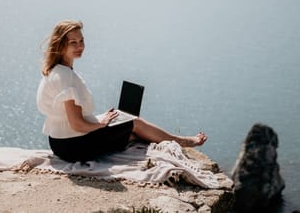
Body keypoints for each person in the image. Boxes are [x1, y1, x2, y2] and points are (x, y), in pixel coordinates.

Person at [36, 19, 208, 163]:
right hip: (73, 147)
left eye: (81, 41)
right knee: (135, 123)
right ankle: (184, 141)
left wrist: (102, 118)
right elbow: (77, 124)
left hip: (60, 142)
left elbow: (70, 118)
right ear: (60, 45)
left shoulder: (56, 70)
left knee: (123, 120)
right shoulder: (66, 77)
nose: (80, 46)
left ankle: (131, 133)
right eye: (73, 42)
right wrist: (100, 124)